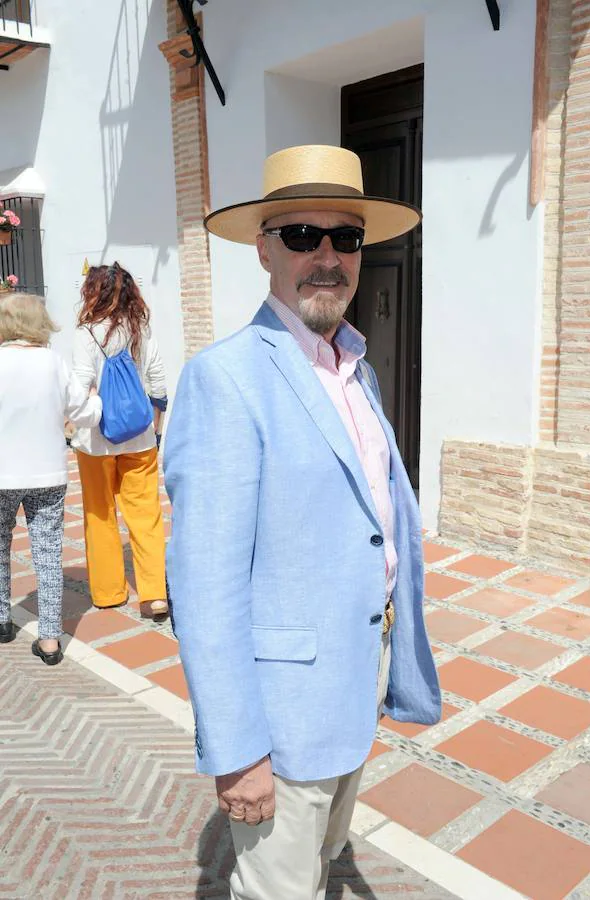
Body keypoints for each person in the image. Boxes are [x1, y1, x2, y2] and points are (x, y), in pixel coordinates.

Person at [164, 145, 441, 900]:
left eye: (344, 238)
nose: (327, 257)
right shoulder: (224, 379)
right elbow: (205, 586)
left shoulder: (357, 367)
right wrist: (238, 750)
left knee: (317, 868)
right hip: (281, 724)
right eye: (300, 236)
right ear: (263, 249)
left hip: (349, 690)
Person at [0, 292, 102, 664]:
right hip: (47, 474)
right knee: (47, 554)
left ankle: (1, 620)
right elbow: (85, 413)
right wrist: (96, 400)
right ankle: (49, 641)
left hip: (2, 475)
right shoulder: (53, 363)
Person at [71, 263, 169, 622]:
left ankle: (110, 593)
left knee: (100, 515)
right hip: (139, 438)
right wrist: (156, 428)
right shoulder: (141, 328)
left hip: (96, 443)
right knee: (146, 516)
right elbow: (157, 381)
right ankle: (154, 595)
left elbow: (80, 386)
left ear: (93, 292)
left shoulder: (85, 333)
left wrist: (81, 417)